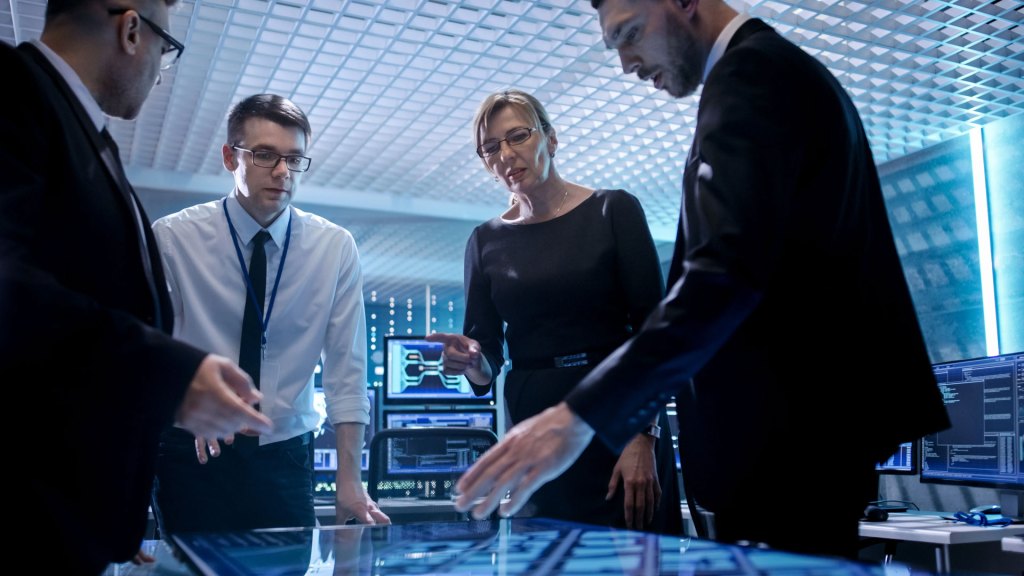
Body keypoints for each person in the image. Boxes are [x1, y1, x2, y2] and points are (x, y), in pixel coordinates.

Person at [453, 0, 950, 561]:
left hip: (791, 437)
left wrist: (585, 415)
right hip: (792, 437)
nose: (626, 63)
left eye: (631, 33)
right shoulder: (763, 73)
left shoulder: (752, 77)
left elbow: (721, 276)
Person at [0, 2, 273, 574]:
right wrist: (171, 373)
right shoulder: (14, 91)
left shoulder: (80, 130)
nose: (157, 68)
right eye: (166, 50)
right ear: (131, 31)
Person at [428, 89, 682, 533]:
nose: (505, 155)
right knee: (546, 556)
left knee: (639, 558)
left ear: (551, 138)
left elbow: (654, 334)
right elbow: (488, 360)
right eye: (491, 148)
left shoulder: (613, 210)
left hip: (616, 414)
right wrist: (470, 362)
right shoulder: (485, 240)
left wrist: (644, 436)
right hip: (535, 427)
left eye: (517, 136)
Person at [150, 93, 390, 534]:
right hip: (193, 447)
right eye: (264, 155)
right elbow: (149, 353)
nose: (282, 172)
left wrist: (350, 481)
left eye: (294, 159)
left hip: (286, 456)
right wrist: (185, 399)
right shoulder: (172, 239)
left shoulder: (333, 248)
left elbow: (347, 370)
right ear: (229, 157)